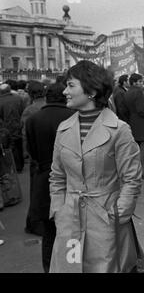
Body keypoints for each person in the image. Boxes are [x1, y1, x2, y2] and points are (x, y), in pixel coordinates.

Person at [49, 60, 144, 272]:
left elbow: (131, 178)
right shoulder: (63, 129)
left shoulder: (119, 130)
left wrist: (119, 214)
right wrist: (58, 209)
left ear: (91, 90)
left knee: (106, 267)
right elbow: (57, 176)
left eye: (71, 85)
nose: (65, 91)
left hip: (106, 220)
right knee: (70, 267)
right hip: (69, 220)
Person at [25, 83, 75, 272]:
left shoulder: (33, 119)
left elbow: (30, 150)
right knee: (72, 229)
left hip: (43, 179)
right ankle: (71, 266)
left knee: (49, 232)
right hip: (70, 179)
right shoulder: (73, 117)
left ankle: (50, 268)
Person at [22, 81, 47, 236]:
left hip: (37, 157)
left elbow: (26, 136)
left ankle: (35, 223)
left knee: (36, 190)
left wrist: (28, 154)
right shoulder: (47, 106)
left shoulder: (30, 110)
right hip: (52, 155)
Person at [123, 73, 144, 179]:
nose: (142, 83)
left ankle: (136, 171)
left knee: (136, 149)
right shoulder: (138, 92)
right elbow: (141, 109)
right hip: (142, 122)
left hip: (132, 121)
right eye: (140, 81)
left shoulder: (127, 93)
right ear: (134, 82)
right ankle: (143, 172)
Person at [0, 83, 25, 173]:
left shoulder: (0, 100)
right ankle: (20, 165)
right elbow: (23, 111)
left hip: (6, 129)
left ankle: (13, 166)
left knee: (10, 148)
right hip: (18, 126)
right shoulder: (18, 98)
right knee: (19, 146)